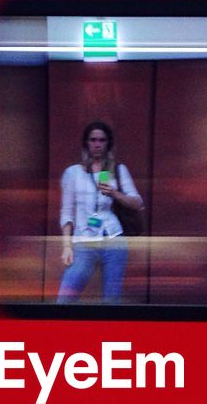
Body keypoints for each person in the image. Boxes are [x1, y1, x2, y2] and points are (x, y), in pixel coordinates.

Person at [57, 120, 144, 303]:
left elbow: (138, 203)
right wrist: (66, 246)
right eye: (93, 140)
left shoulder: (117, 170)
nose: (97, 144)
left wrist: (114, 193)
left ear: (108, 144)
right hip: (84, 240)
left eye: (102, 140)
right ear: (86, 143)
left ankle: (108, 331)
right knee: (66, 296)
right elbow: (67, 212)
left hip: (113, 238)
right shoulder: (73, 173)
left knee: (111, 299)